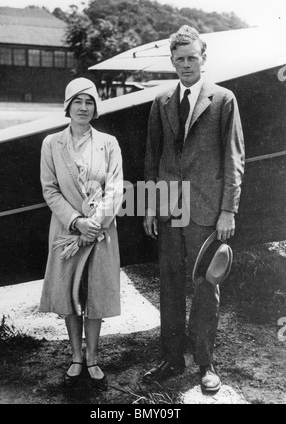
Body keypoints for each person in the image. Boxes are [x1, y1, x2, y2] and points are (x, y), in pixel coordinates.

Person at [143, 25, 245, 391]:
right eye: (179, 58)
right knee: (168, 285)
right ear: (171, 61)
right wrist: (150, 207)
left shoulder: (223, 100)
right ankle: (171, 358)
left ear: (204, 58)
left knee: (205, 285)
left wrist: (228, 211)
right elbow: (153, 156)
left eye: (192, 57)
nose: (186, 64)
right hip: (169, 209)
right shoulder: (161, 102)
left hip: (206, 210)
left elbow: (234, 159)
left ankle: (206, 363)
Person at [39, 77, 123, 390]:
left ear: (95, 107)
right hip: (66, 232)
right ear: (68, 106)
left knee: (95, 293)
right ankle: (76, 355)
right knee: (69, 295)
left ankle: (93, 357)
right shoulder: (51, 144)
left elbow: (115, 187)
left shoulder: (108, 143)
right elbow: (50, 189)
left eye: (89, 102)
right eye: (78, 101)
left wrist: (95, 224)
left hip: (100, 233)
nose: (83, 108)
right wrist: (76, 222)